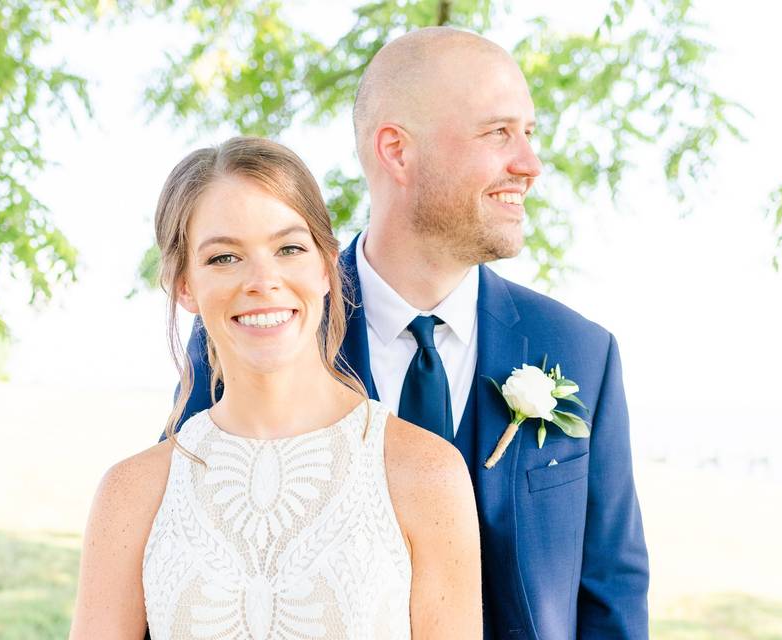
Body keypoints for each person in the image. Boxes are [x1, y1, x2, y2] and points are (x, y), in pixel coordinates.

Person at [179, 27, 649, 639]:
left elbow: (611, 594)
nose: (529, 165)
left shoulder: (581, 352)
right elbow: (185, 550)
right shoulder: (255, 330)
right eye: (498, 132)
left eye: (529, 134)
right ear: (397, 151)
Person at [69, 137, 482, 639]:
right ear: (184, 285)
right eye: (224, 258)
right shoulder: (131, 495)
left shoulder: (427, 475)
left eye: (288, 248)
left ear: (327, 265)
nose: (263, 280)